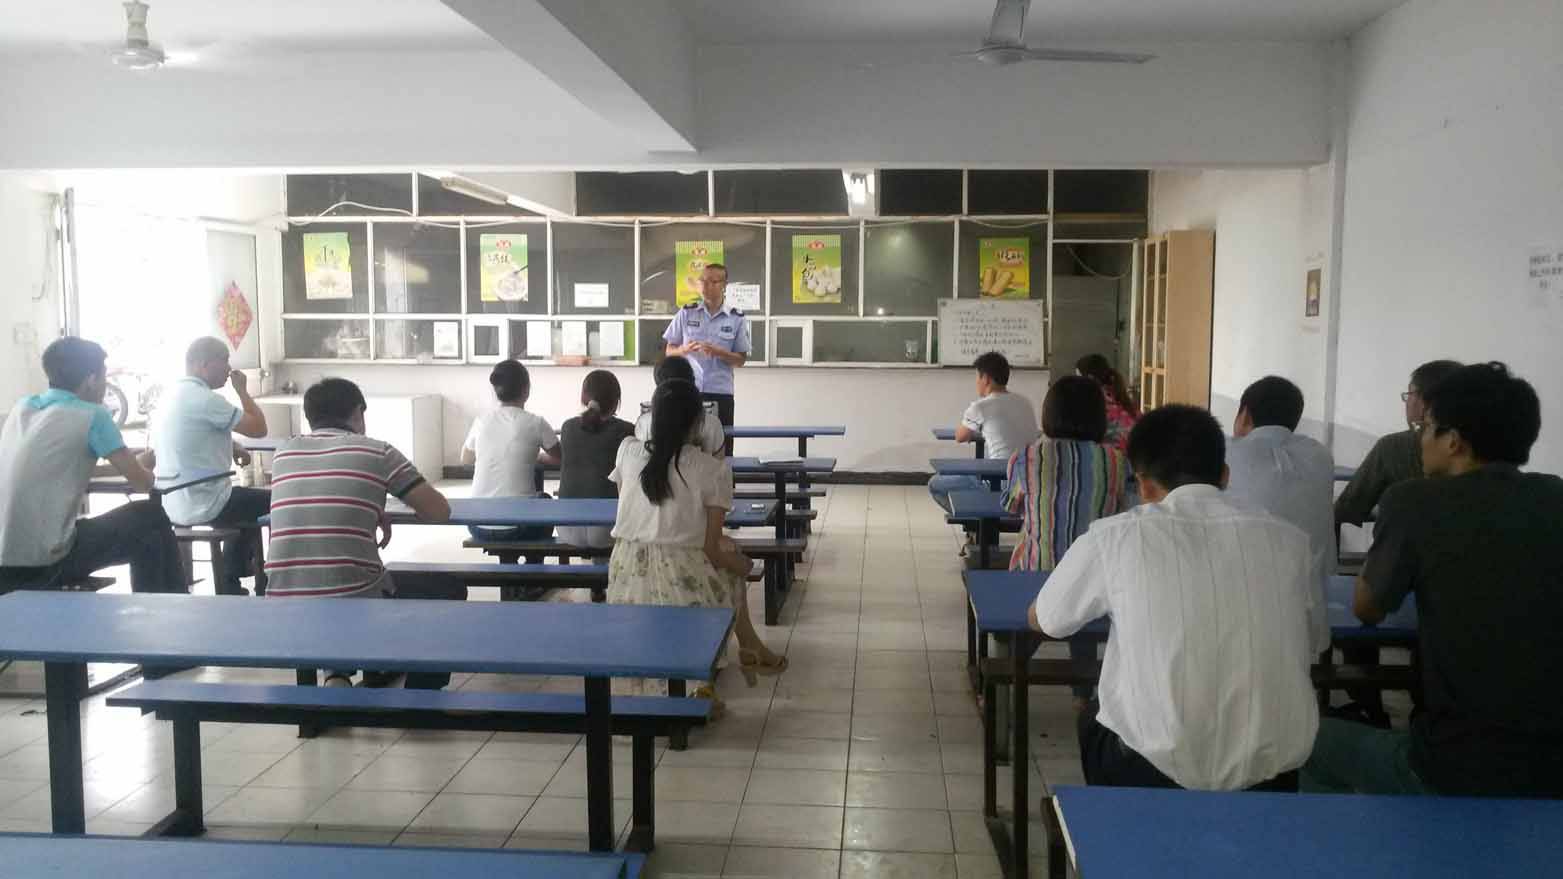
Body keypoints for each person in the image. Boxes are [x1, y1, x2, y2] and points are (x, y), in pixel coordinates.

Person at [1304, 363, 1563, 798]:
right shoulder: (1555, 496)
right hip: (1553, 766)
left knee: (1306, 743)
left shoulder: (1415, 501)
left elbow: (1368, 608)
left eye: (1426, 428)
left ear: (1454, 441)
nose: (1420, 439)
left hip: (1456, 766)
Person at [1030, 405, 1318, 791]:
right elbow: (1315, 643)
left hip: (1150, 770)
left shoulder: (1115, 536)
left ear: (1144, 485)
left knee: (1096, 714)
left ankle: (1121, 819)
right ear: (1225, 475)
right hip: (1272, 776)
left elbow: (1048, 620)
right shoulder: (1291, 541)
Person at [264, 378, 460, 689]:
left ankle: (337, 674)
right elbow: (439, 511)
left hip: (281, 602)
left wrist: (371, 506)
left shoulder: (284, 453)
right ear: (357, 413)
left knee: (330, 576)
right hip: (353, 601)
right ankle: (418, 697)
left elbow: (320, 501)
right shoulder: (377, 452)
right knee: (448, 589)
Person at [607, 379, 785, 709]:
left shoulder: (627, 451)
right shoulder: (711, 470)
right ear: (698, 422)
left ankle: (726, 664)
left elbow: (635, 513)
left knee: (726, 563)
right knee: (732, 571)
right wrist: (745, 566)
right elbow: (711, 547)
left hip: (627, 571)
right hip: (680, 573)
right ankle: (714, 673)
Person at [0, 337, 182, 595]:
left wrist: (123, 466)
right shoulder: (92, 415)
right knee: (150, 517)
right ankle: (168, 603)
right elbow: (142, 483)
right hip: (45, 565)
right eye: (104, 376)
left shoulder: (23, 408)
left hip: (5, 565)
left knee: (147, 529)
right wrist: (144, 467)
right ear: (91, 379)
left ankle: (165, 601)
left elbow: (56, 469)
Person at [1005, 375, 1131, 705]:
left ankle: (1007, 680)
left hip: (1034, 574)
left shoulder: (1026, 457)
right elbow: (1122, 511)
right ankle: (1082, 696)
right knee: (1083, 602)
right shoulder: (1116, 461)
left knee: (1029, 625)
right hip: (1095, 577)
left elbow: (1011, 506)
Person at [1223, 375, 1334, 657]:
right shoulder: (1320, 456)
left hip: (1239, 622)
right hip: (1308, 624)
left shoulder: (1224, 453)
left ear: (1244, 415)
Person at [150, 337, 270, 596]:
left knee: (243, 504)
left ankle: (233, 578)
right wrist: (242, 391)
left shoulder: (170, 395)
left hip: (171, 499)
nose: (229, 368)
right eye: (224, 360)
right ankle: (241, 576)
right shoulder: (205, 399)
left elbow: (194, 436)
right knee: (276, 500)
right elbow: (259, 429)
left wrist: (233, 447)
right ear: (204, 365)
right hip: (204, 499)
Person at [1334, 359, 1462, 527]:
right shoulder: (1481, 451)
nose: (1407, 402)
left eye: (1410, 394)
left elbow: (1347, 510)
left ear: (1424, 403)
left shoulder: (1393, 447)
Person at [460, 360, 561, 547]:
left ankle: (509, 561)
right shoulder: (536, 423)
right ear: (526, 390)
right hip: (521, 526)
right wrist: (537, 456)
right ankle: (533, 561)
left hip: (477, 524)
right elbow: (559, 459)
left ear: (496, 390)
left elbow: (465, 459)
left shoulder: (481, 421)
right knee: (545, 500)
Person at [929, 351, 1038, 513]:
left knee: (936, 483)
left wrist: (978, 427)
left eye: (977, 377)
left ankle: (972, 520)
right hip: (1031, 477)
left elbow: (960, 436)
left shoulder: (981, 407)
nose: (976, 382)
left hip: (1003, 480)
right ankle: (979, 519)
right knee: (986, 462)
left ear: (986, 378)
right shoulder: (1025, 402)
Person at [662, 263, 749, 455]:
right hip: (688, 391)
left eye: (712, 281)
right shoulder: (687, 312)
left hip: (720, 393)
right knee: (686, 449)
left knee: (721, 450)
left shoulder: (736, 318)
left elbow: (741, 360)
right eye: (702, 280)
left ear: (724, 285)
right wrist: (684, 349)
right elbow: (669, 350)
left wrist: (720, 353)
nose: (705, 285)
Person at [556, 370, 635, 551]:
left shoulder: (568, 427)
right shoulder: (627, 431)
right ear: (616, 403)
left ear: (583, 397)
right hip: (608, 529)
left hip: (566, 528)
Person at [635, 355, 724, 456]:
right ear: (692, 381)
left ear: (659, 385)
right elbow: (719, 462)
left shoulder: (645, 422)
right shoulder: (712, 423)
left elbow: (642, 459)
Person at [1075, 353, 1139, 450]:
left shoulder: (1094, 406)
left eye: (1078, 378)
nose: (1076, 384)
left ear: (1090, 378)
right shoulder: (1122, 399)